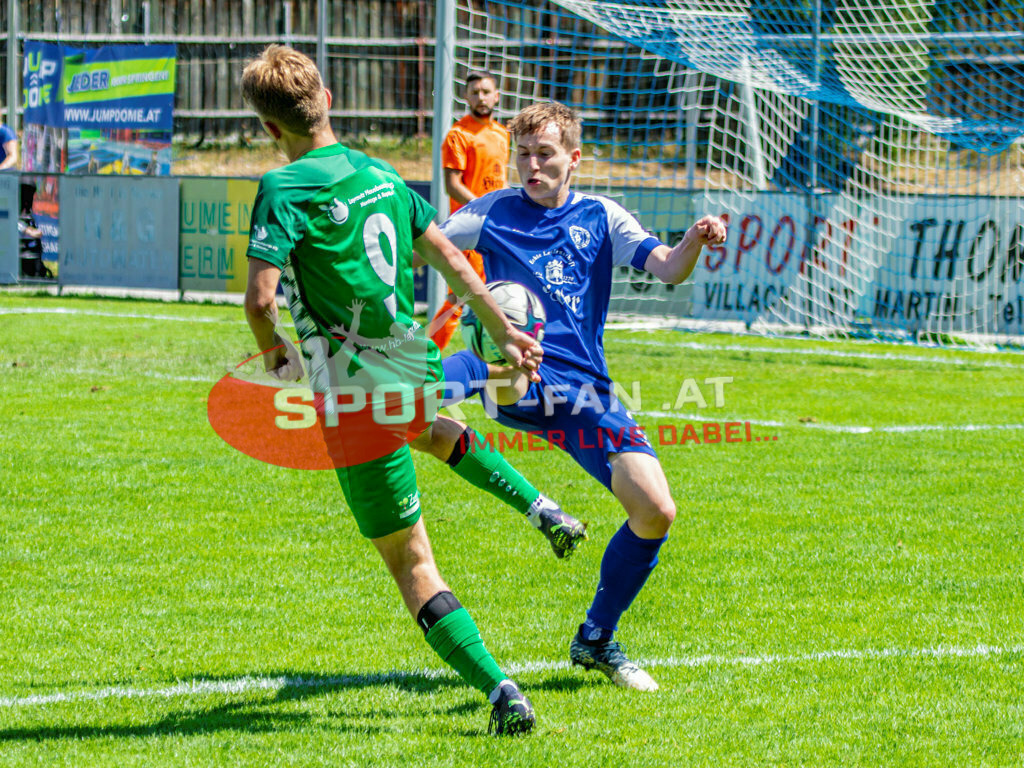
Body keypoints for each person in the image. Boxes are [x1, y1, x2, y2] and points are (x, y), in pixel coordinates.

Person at [240, 44, 543, 736]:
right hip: (410, 373)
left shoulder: (284, 188)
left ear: (270, 130)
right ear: (329, 101)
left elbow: (262, 301)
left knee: (413, 566)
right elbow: (458, 268)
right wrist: (504, 334)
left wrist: (275, 353)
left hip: (353, 399)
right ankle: (538, 498)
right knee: (439, 430)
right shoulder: (378, 173)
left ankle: (501, 691)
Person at [434, 101, 727, 691]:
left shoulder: (601, 217)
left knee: (654, 510)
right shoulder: (493, 212)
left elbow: (669, 269)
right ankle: (418, 387)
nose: (532, 165)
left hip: (588, 394)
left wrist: (694, 239)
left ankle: (595, 639)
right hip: (525, 376)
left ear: (574, 158)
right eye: (524, 154)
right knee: (507, 369)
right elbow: (429, 243)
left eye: (545, 154)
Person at [429, 71, 509, 349]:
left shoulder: (502, 134)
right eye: (475, 92)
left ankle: (494, 352)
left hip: (497, 228)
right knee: (460, 298)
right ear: (466, 96)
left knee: (495, 295)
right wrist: (483, 210)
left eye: (486, 91)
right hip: (470, 228)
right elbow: (452, 186)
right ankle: (424, 356)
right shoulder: (458, 135)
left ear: (497, 96)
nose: (481, 97)